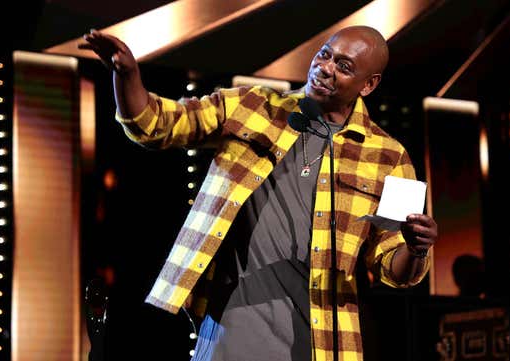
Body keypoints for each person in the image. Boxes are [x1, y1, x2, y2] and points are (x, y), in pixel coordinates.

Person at [79, 25, 438, 361]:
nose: (326, 68)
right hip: (230, 327)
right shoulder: (253, 107)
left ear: (368, 85)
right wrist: (127, 75)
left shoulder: (392, 157)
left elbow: (394, 269)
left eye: (343, 66)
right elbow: (156, 124)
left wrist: (416, 247)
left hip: (324, 340)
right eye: (325, 55)